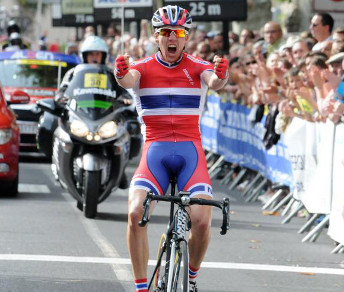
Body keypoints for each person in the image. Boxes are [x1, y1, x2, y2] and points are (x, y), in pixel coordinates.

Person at [114, 5, 229, 292]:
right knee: (135, 213)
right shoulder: (142, 67)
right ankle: (142, 287)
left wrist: (221, 73)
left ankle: (190, 278)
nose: (171, 37)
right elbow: (128, 81)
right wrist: (120, 72)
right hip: (156, 150)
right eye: (165, 32)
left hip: (191, 150)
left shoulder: (197, 65)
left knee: (202, 221)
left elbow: (215, 83)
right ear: (156, 36)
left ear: (186, 37)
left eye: (177, 32)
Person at [55, 35, 131, 189]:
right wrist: (60, 98)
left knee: (131, 130)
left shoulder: (111, 74)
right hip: (81, 114)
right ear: (84, 56)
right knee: (51, 123)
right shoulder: (74, 72)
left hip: (105, 116)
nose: (94, 57)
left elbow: (124, 92)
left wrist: (126, 99)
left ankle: (121, 170)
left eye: (98, 54)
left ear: (103, 56)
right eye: (91, 54)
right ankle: (57, 165)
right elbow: (63, 90)